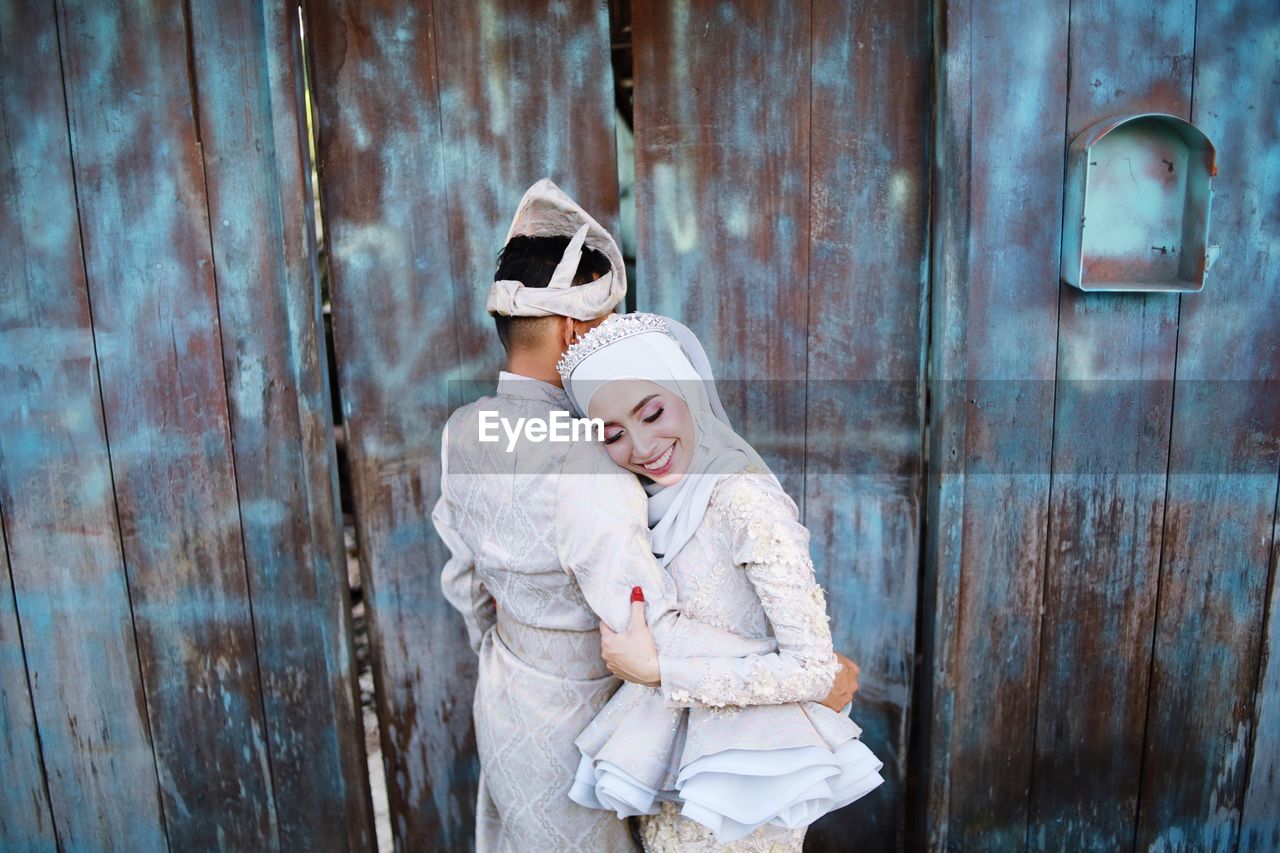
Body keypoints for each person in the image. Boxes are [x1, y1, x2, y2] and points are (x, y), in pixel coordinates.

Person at [432, 179, 859, 852]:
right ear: (575, 331)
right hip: (588, 729)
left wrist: (520, 647)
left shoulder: (462, 431)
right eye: (609, 329)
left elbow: (465, 587)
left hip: (505, 698)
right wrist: (808, 675)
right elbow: (646, 629)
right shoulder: (594, 457)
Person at [557, 312, 885, 850]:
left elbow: (813, 670)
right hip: (675, 782)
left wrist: (659, 671)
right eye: (614, 434)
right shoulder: (643, 506)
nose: (641, 447)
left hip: (751, 791)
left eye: (653, 412)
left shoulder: (744, 499)